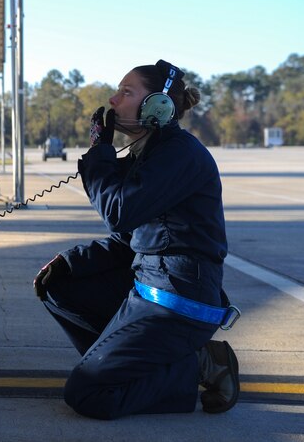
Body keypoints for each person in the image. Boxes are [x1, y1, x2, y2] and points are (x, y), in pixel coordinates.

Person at [33, 59, 240, 420]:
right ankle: (124, 362)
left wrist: (101, 153)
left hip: (178, 299)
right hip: (147, 286)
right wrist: (70, 262)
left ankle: (199, 365)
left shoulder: (179, 154)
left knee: (88, 394)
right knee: (60, 285)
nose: (113, 101)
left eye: (126, 92)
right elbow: (130, 238)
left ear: (157, 106)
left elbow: (118, 211)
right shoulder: (151, 153)